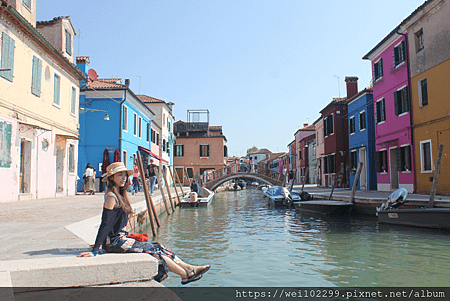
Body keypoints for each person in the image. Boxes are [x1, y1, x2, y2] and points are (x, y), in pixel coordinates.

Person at [78, 162, 210, 285]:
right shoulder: (111, 197)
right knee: (151, 250)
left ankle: (189, 267)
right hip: (114, 242)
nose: (124, 178)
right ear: (111, 177)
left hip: (120, 238)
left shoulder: (119, 194)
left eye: (125, 175)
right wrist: (96, 249)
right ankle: (184, 274)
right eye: (120, 175)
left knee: (158, 245)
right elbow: (105, 224)